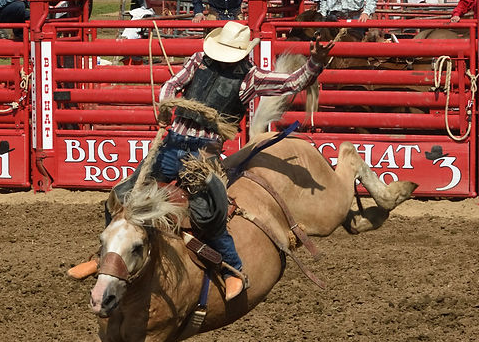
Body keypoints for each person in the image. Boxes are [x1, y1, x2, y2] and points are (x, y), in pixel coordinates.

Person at [114, 21, 333, 300]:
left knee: (208, 213)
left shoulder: (249, 78)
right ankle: (108, 259)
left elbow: (291, 83)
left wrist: (315, 61)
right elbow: (171, 85)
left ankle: (233, 269)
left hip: (202, 156)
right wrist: (166, 107)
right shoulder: (198, 61)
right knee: (122, 194)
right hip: (171, 145)